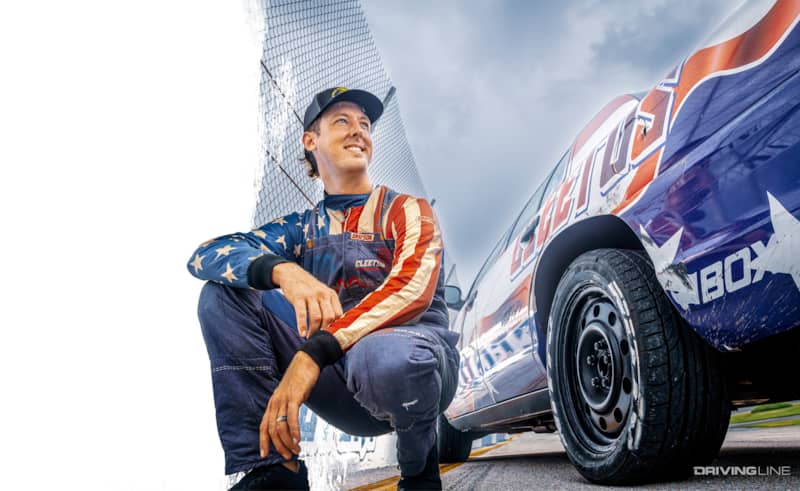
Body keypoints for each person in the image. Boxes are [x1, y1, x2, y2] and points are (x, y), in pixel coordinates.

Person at [187, 86, 459, 490]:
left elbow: (412, 288)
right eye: (342, 122)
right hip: (340, 383)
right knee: (223, 294)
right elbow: (204, 256)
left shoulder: (408, 210)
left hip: (410, 368)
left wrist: (313, 353)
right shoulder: (302, 228)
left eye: (365, 124)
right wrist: (284, 272)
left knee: (384, 355)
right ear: (310, 140)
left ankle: (420, 472)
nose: (358, 132)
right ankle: (273, 470)